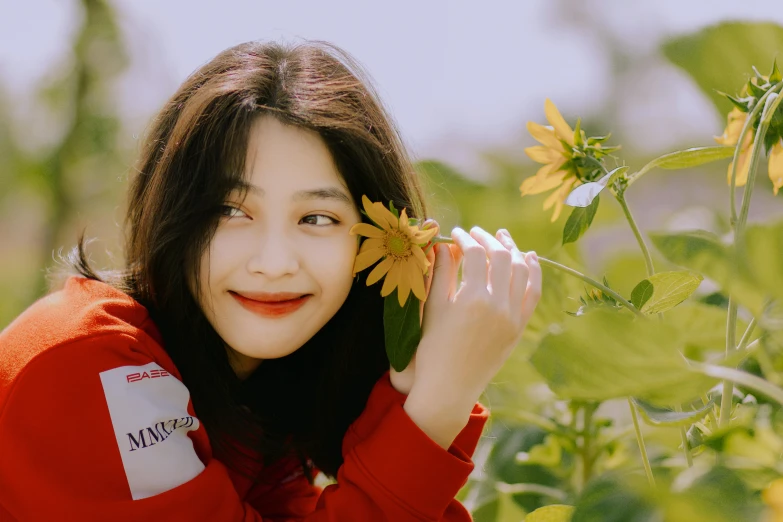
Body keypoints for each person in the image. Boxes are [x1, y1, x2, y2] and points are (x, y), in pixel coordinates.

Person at [0, 40, 541, 521]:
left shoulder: (254, 401)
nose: (274, 261)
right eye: (232, 212)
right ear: (173, 215)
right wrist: (436, 407)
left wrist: (411, 382)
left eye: (317, 219)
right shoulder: (89, 363)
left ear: (373, 246)